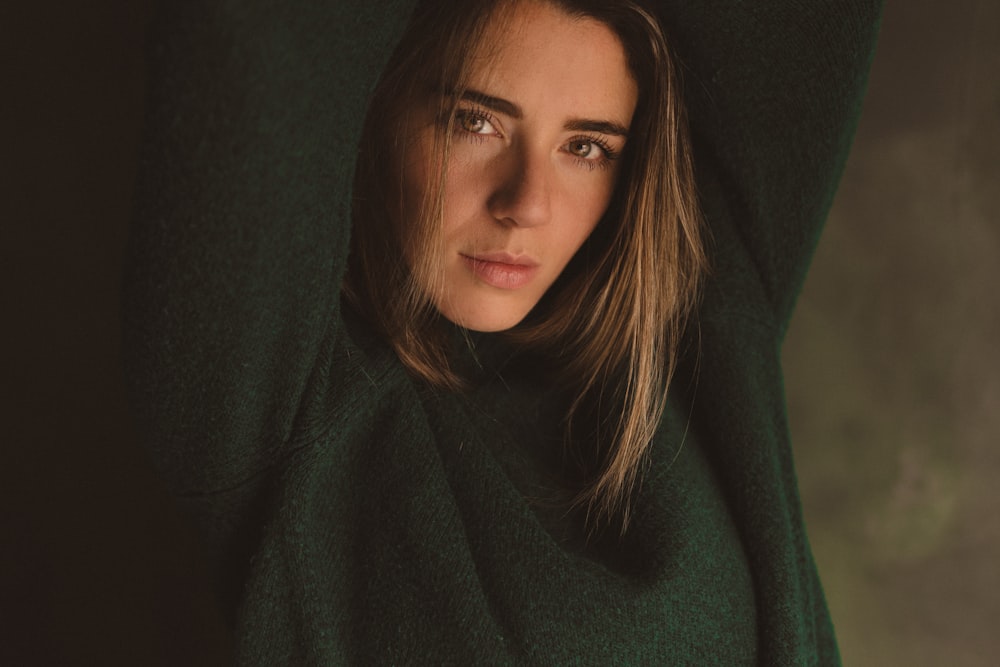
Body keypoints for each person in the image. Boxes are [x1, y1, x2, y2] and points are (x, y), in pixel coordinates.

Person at [125, 0, 882, 663]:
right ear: (371, 105)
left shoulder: (693, 337)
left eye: (586, 146)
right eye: (476, 121)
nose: (528, 202)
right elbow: (261, 34)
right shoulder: (277, 403)